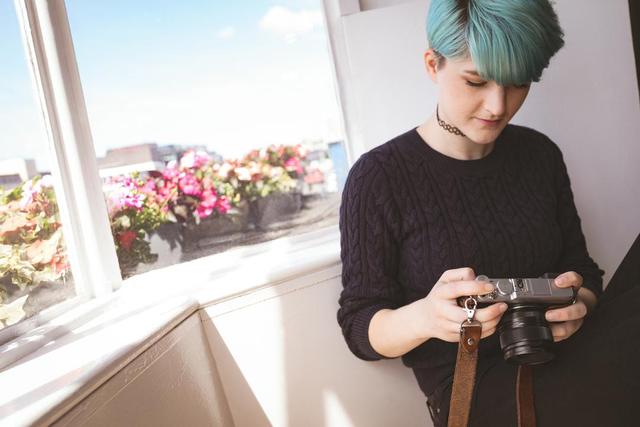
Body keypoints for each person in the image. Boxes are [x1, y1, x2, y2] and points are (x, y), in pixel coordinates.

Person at [336, 0, 639, 426]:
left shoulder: (539, 153)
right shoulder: (379, 177)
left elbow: (581, 269)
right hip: (480, 388)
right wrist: (426, 316)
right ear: (432, 64)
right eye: (476, 81)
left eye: (517, 84)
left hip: (568, 355)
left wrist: (578, 306)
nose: (498, 106)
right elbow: (359, 326)